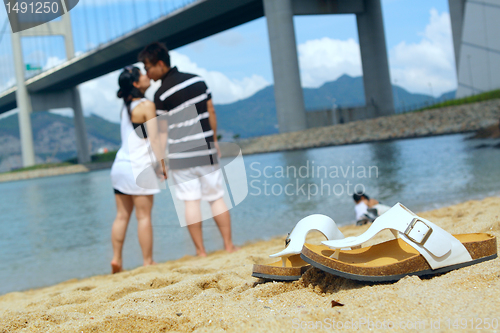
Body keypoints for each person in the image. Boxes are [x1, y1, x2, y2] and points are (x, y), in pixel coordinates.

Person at [138, 42, 238, 257]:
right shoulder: (198, 81)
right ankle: (229, 246)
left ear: (160, 63)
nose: (147, 72)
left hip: (180, 155)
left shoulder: (161, 95)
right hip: (205, 150)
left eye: (148, 67)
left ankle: (200, 252)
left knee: (190, 202)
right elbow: (211, 111)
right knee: (217, 198)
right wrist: (214, 142)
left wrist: (161, 160)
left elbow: (162, 132)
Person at [109, 66, 166, 273]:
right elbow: (153, 138)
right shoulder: (146, 105)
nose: (146, 75)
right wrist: (162, 163)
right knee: (144, 217)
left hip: (119, 166)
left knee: (121, 216)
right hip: (138, 167)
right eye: (142, 74)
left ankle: (116, 259)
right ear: (135, 83)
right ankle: (148, 261)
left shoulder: (125, 107)